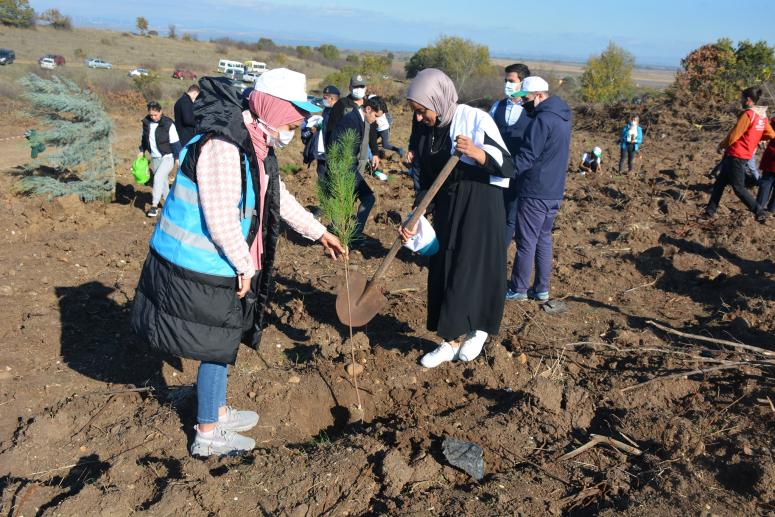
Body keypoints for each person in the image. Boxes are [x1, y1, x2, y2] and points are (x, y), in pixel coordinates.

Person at [131, 70, 346, 457]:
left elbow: (274, 194)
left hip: (215, 261)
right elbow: (219, 214)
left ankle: (216, 408)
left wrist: (319, 232)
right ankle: (207, 433)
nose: (299, 121)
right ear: (273, 106)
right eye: (294, 112)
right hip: (199, 264)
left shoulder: (252, 142)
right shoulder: (224, 145)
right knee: (216, 343)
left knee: (223, 338)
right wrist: (243, 265)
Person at [398, 69, 515, 368]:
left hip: (480, 204)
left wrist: (478, 153)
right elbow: (423, 175)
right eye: (416, 112)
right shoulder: (423, 129)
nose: (420, 118)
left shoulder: (475, 119)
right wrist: (417, 214)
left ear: (438, 101)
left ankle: (478, 329)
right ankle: (449, 340)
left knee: (474, 267)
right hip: (447, 204)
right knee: (444, 267)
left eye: (423, 111)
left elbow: (508, 166)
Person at [505, 76, 572, 302]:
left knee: (526, 241)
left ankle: (519, 289)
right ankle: (541, 288)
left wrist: (505, 172)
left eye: (527, 98)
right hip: (554, 190)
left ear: (540, 96)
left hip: (535, 189)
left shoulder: (542, 121)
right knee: (543, 238)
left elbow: (527, 156)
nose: (524, 103)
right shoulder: (562, 117)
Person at [705, 87, 775, 221]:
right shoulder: (762, 116)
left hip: (736, 154)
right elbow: (771, 134)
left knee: (738, 188)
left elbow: (734, 135)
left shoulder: (748, 114)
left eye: (742, 98)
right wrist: (755, 138)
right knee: (720, 184)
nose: (740, 100)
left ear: (748, 100)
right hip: (741, 154)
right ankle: (709, 211)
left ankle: (759, 211)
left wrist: (721, 145)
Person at [330, 95, 388, 237]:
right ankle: (346, 235)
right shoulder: (351, 120)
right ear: (368, 109)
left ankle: (345, 234)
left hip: (348, 166)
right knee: (365, 198)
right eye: (376, 115)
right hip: (343, 167)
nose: (376, 120)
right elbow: (335, 142)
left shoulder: (359, 119)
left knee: (353, 199)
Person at [489, 63, 532, 248]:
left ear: (522, 83)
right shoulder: (496, 107)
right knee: (492, 212)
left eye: (511, 81)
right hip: (495, 170)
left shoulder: (531, 111)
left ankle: (500, 252)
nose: (507, 84)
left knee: (510, 215)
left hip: (518, 172)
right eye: (506, 80)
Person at [325, 74, 380, 171]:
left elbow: (372, 131)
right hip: (344, 154)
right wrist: (331, 154)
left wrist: (375, 153)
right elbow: (331, 129)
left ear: (366, 88)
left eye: (361, 86)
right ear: (350, 88)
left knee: (357, 182)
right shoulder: (342, 104)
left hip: (363, 156)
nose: (359, 89)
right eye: (356, 86)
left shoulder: (369, 105)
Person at [138, 101, 181, 217]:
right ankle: (169, 204)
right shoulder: (146, 122)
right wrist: (142, 150)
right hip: (155, 157)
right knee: (163, 183)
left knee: (157, 178)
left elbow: (175, 142)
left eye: (155, 114)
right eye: (151, 115)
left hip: (168, 156)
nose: (153, 117)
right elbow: (144, 138)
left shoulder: (168, 124)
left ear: (160, 112)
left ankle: (154, 206)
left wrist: (177, 157)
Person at [757, 121, 775, 212]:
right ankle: (772, 209)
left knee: (766, 183)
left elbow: (765, 131)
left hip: (772, 156)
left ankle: (758, 207)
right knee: (767, 182)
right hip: (772, 157)